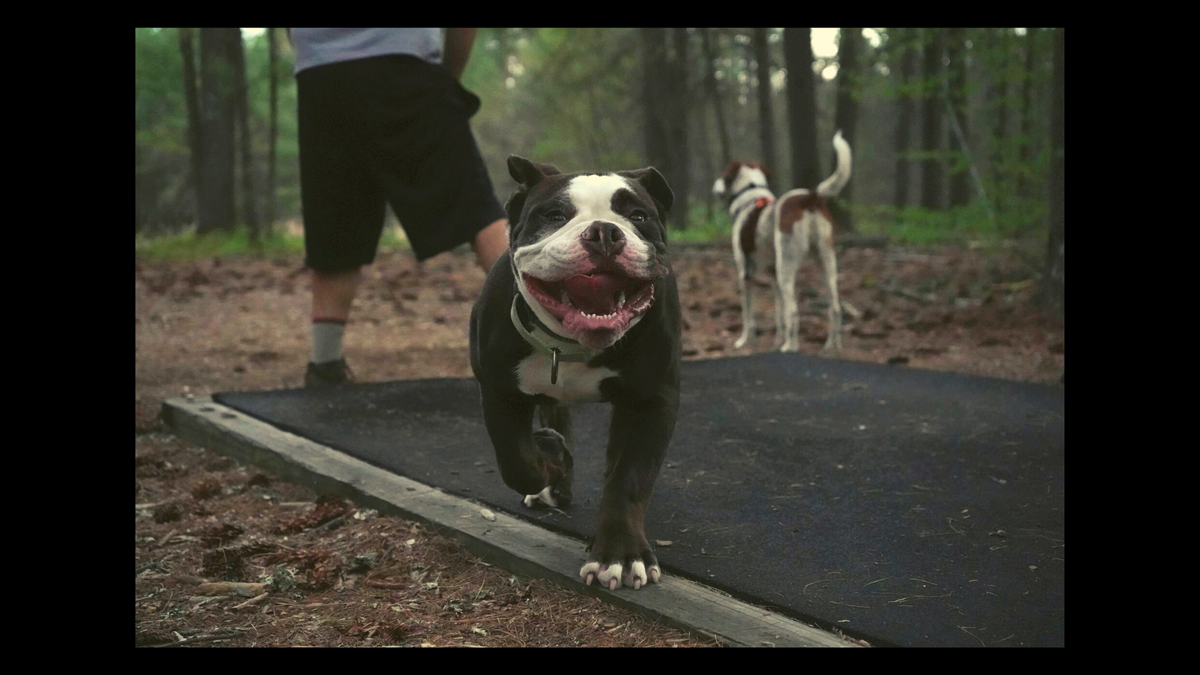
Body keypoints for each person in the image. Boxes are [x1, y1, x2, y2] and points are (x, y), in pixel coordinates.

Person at [291, 28, 509, 386]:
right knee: (476, 209)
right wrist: (446, 75)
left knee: (335, 221)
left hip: (321, 73)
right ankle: (549, 346)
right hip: (404, 61)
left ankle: (324, 362)